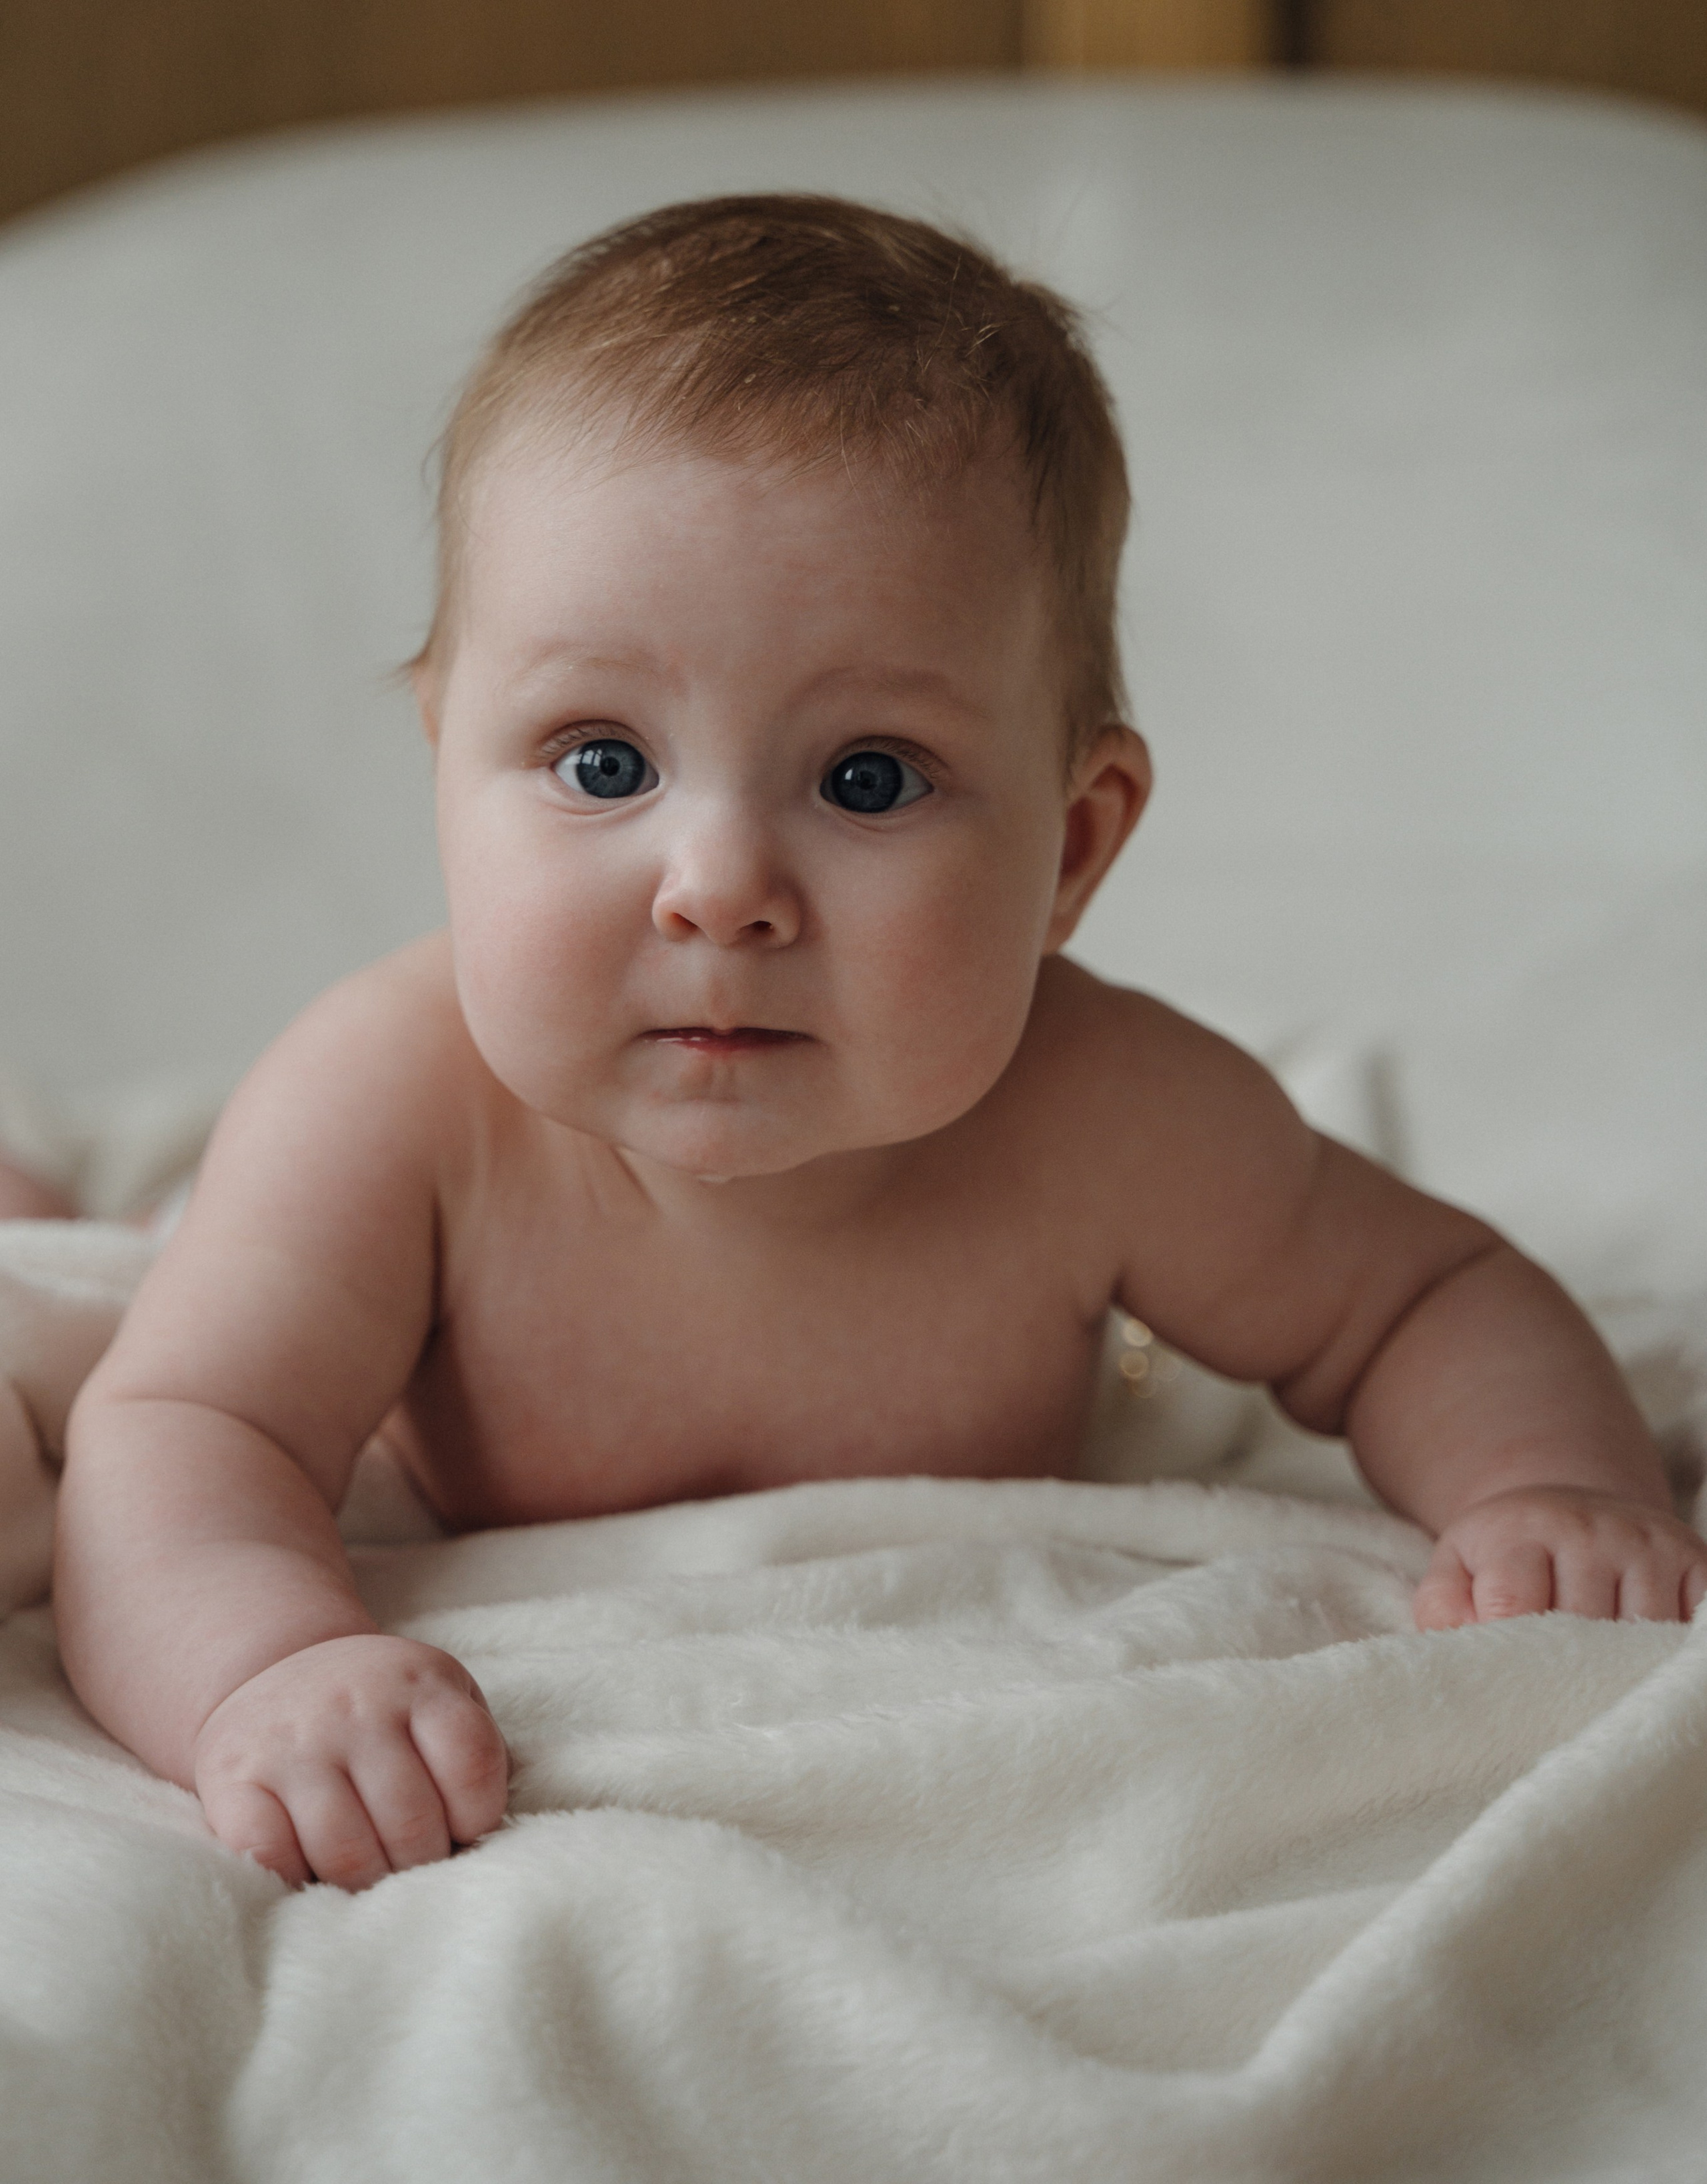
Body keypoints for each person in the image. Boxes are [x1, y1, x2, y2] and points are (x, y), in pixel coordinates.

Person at [53, 194, 1707, 1895]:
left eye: (866, 779)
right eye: (601, 761)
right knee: (86, 1302)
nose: (717, 890)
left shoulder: (1109, 1115)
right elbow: (188, 1429)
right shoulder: (392, 1104)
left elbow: (1420, 1297)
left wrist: (1546, 1488)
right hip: (268, 1289)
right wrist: (260, 1663)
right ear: (441, 763)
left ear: (1068, 850)